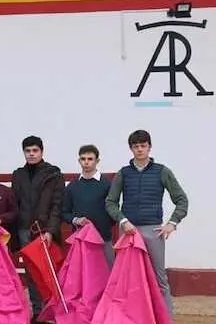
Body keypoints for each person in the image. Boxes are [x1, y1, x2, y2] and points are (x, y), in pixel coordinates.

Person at [105, 129, 189, 312]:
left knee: (159, 277)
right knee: (126, 277)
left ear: (149, 147)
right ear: (131, 149)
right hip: (128, 231)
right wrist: (123, 221)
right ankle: (127, 318)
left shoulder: (162, 171)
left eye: (143, 146)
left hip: (153, 230)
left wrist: (171, 223)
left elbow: (182, 200)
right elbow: (110, 202)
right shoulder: (124, 173)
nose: (140, 150)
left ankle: (165, 322)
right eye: (136, 146)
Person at [10, 135, 65, 317]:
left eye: (35, 151)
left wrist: (51, 230)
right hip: (24, 229)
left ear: (42, 151)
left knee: (48, 271)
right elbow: (14, 204)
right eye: (28, 151)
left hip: (44, 230)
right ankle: (38, 310)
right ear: (23, 152)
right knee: (32, 272)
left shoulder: (53, 173)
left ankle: (52, 311)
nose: (31, 154)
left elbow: (57, 204)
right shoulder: (18, 174)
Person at [61, 144, 117, 265]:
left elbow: (113, 210)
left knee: (107, 274)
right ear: (79, 160)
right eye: (83, 159)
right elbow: (64, 212)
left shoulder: (107, 184)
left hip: (103, 238)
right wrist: (76, 220)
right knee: (83, 275)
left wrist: (104, 225)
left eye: (90, 159)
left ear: (97, 161)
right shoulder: (72, 186)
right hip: (80, 240)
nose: (86, 162)